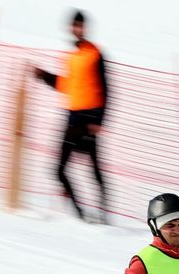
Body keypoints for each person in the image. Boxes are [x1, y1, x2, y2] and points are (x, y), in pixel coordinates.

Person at [34, 9, 109, 222]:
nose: (77, 29)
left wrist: (99, 121)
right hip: (72, 119)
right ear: (71, 28)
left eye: (80, 25)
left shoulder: (95, 54)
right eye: (74, 25)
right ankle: (81, 215)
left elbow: (107, 88)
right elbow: (67, 85)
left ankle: (103, 216)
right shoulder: (72, 57)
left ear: (85, 28)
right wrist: (44, 76)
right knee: (58, 170)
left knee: (93, 171)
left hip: (89, 120)